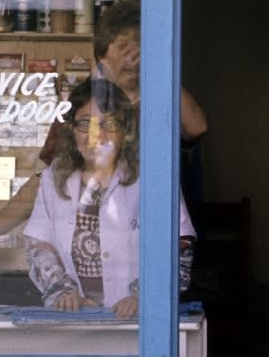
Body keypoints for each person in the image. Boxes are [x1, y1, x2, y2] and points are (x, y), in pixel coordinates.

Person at [0, 0, 208, 258]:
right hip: (91, 246)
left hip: (155, 241)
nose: (134, 56)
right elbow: (45, 179)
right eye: (125, 46)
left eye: (141, 45)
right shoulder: (81, 106)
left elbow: (197, 127)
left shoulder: (162, 95)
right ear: (103, 53)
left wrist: (160, 66)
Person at [24, 78, 195, 317]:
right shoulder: (55, 177)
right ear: (72, 129)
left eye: (110, 124)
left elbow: (180, 247)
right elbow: (39, 245)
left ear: (126, 130)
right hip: (73, 319)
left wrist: (142, 294)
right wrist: (62, 291)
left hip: (140, 321)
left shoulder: (153, 178)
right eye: (85, 123)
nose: (97, 135)